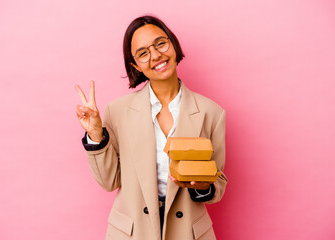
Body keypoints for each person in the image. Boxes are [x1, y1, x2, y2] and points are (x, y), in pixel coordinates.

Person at [75, 15, 227, 240]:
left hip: (189, 232)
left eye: (160, 43)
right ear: (135, 64)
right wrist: (96, 134)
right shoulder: (117, 111)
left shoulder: (211, 113)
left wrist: (204, 186)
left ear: (173, 44)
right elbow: (109, 182)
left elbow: (219, 181)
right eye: (143, 53)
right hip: (132, 232)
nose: (156, 55)